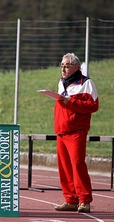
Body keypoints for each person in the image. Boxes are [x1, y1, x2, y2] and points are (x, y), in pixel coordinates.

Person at [53, 53, 99, 213]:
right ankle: (71, 199)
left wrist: (70, 101)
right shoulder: (61, 82)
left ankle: (84, 200)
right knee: (64, 167)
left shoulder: (86, 83)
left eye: (66, 65)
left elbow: (93, 106)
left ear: (76, 67)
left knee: (77, 164)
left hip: (76, 131)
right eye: (62, 65)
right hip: (61, 131)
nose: (63, 68)